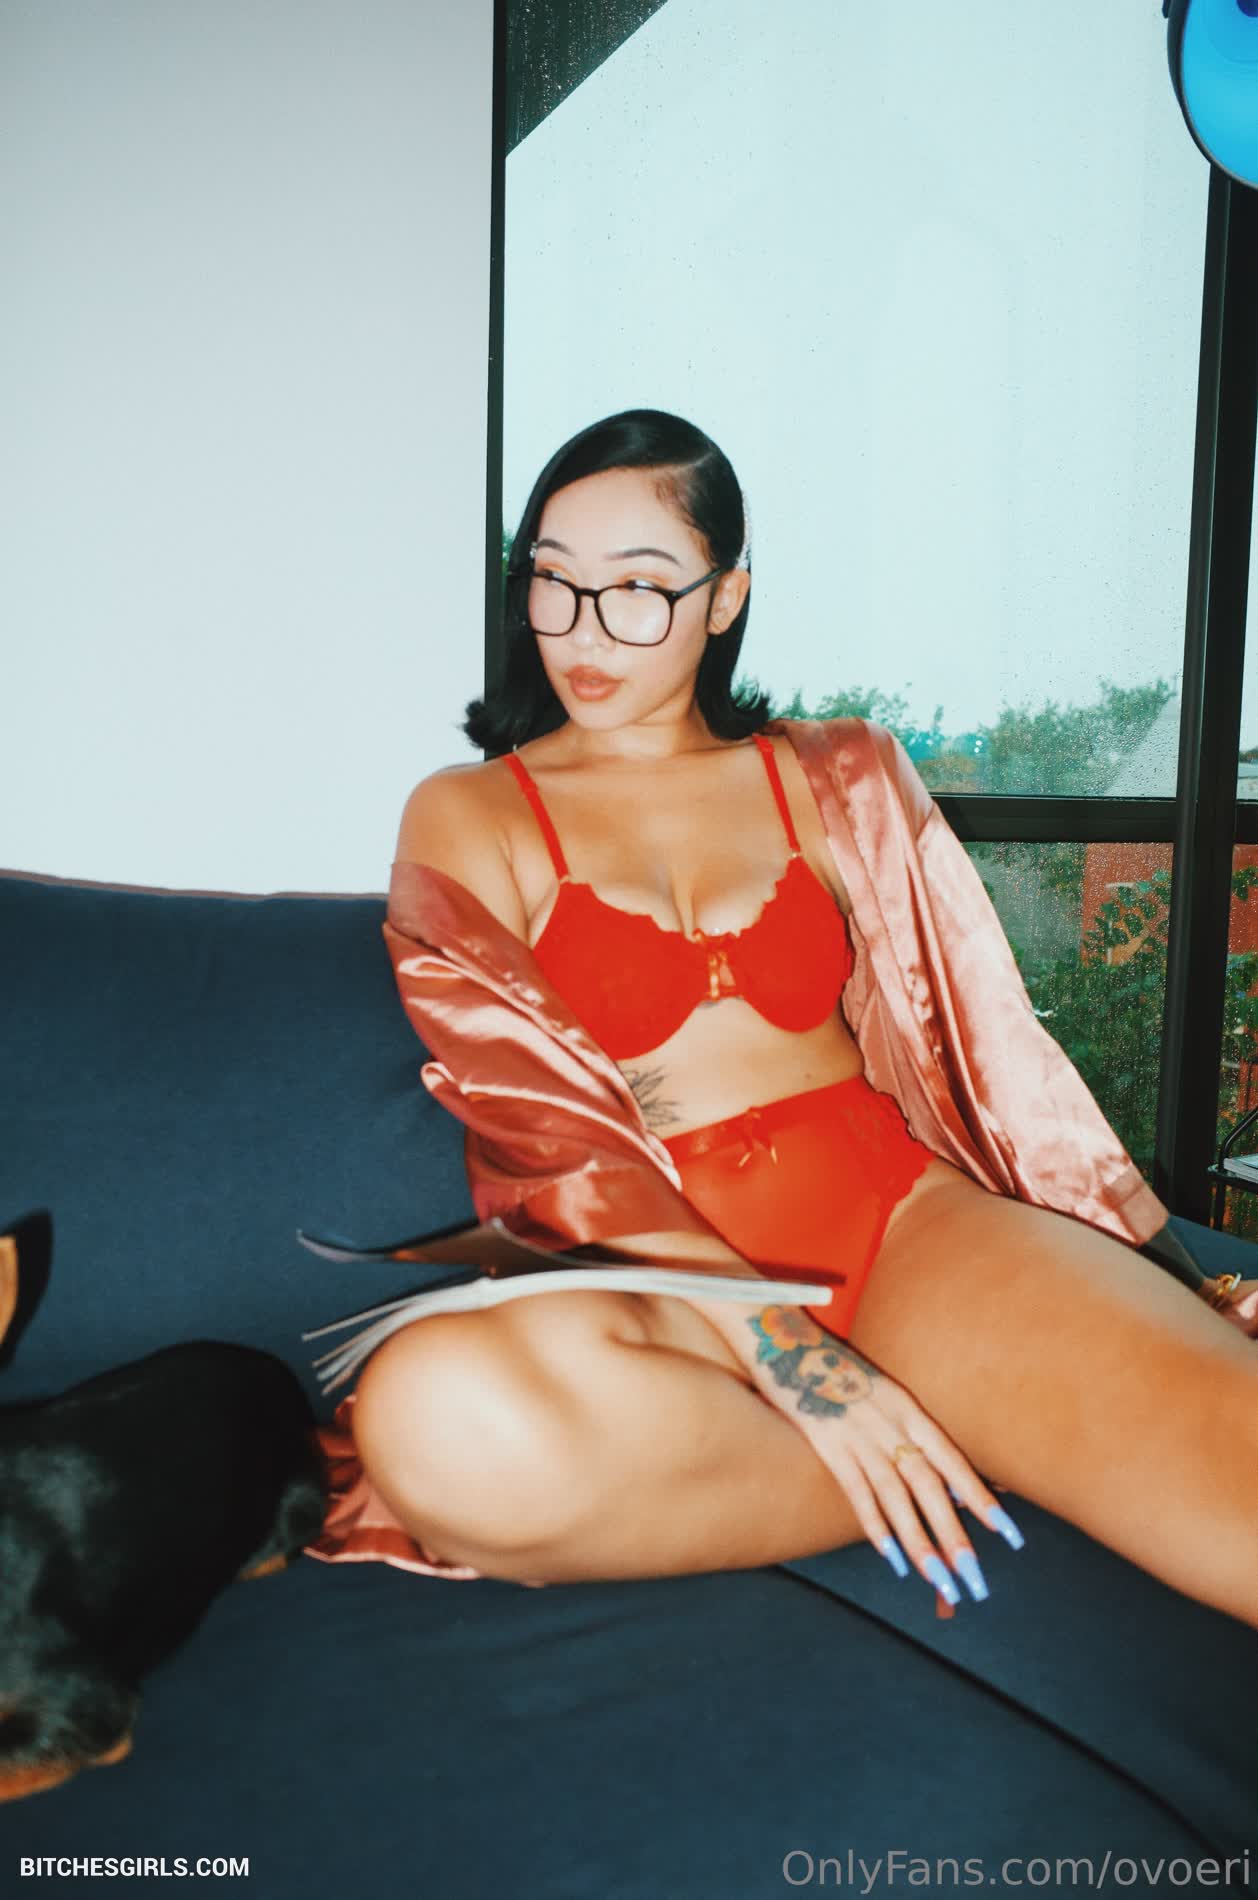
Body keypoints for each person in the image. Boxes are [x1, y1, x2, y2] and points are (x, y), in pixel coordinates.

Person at [303, 408, 1258, 1631]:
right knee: (434, 1416)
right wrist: (789, 1355)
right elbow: (547, 1131)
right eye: (553, 579)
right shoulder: (468, 812)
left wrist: (1152, 1262)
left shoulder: (840, 773)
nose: (583, 630)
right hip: (663, 1279)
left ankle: (983, 1413)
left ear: (724, 598)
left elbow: (985, 1045)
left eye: (638, 587)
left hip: (904, 1229)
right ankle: (987, 1437)